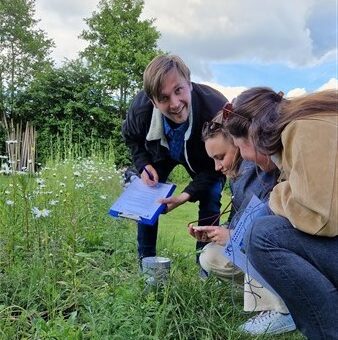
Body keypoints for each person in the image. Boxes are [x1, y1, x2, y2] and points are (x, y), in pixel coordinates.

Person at [225, 87, 338, 339]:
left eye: (237, 146)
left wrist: (276, 195)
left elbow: (322, 220)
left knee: (263, 235)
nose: (241, 157)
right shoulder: (307, 122)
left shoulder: (302, 129)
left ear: (251, 135)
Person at [189, 111, 296, 335]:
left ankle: (284, 311)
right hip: (262, 244)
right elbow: (241, 219)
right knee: (210, 255)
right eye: (213, 160)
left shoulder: (264, 169)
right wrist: (221, 233)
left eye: (220, 157)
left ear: (239, 144)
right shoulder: (238, 177)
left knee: (254, 241)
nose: (217, 166)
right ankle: (263, 296)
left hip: (283, 248)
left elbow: (271, 224)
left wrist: (234, 235)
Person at [122, 54, 226, 263]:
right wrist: (143, 165)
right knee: (149, 193)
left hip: (203, 158)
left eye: (179, 90)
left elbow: (217, 167)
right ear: (152, 101)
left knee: (211, 195)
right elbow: (131, 138)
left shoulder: (215, 109)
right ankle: (147, 262)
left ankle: (205, 265)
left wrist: (185, 195)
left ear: (189, 84)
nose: (175, 104)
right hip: (160, 151)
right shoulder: (140, 108)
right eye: (164, 98)